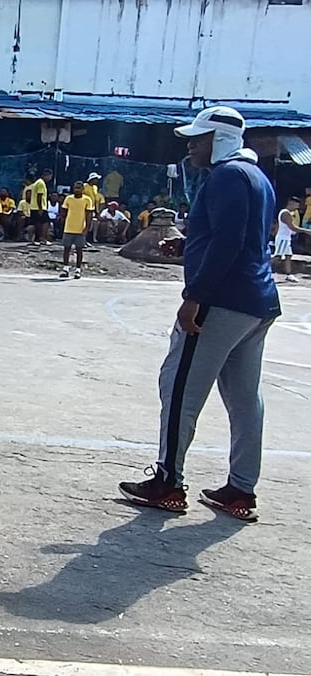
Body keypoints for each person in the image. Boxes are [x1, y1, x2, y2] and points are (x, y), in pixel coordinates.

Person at [117, 106, 280, 522]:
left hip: (221, 301)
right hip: (257, 301)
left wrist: (195, 294)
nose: (190, 145)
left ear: (219, 141)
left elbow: (228, 241)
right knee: (245, 399)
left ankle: (168, 482)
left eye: (198, 138)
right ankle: (241, 490)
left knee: (179, 389)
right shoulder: (257, 177)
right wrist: (190, 245)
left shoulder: (226, 176)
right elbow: (246, 238)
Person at [58, 181, 93, 279]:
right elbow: (63, 212)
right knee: (66, 249)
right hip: (68, 227)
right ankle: (65, 268)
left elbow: (89, 214)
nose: (77, 190)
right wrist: (62, 222)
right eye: (75, 188)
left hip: (80, 228)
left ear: (83, 189)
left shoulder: (87, 200)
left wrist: (87, 228)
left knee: (79, 250)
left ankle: (78, 270)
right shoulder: (68, 198)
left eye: (79, 188)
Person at [274, 196, 306, 283]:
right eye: (297, 205)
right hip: (283, 239)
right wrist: (306, 231)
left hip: (285, 238)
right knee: (278, 257)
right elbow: (292, 227)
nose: (297, 207)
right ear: (291, 203)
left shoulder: (287, 213)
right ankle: (262, 269)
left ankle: (289, 275)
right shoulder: (286, 213)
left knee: (288, 256)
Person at [27, 169, 52, 245]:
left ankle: (31, 239)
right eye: (50, 177)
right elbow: (39, 196)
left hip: (33, 206)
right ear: (47, 175)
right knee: (46, 223)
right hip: (39, 207)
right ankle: (43, 239)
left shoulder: (37, 182)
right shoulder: (41, 183)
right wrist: (40, 208)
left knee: (34, 223)